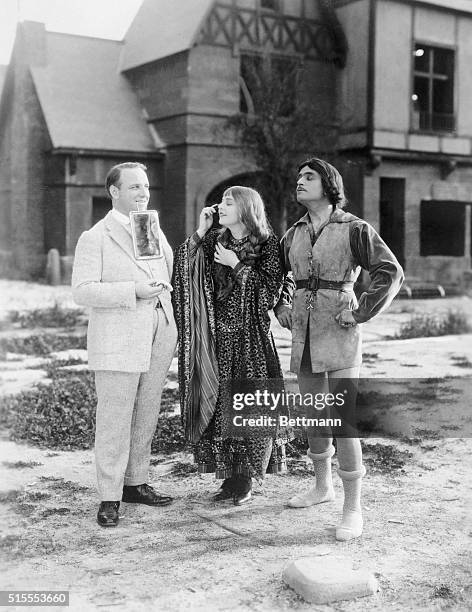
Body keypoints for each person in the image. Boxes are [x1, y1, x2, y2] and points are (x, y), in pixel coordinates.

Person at [275, 157, 404, 541]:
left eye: (308, 177)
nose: (299, 182)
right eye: (298, 176)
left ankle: (353, 508)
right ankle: (321, 487)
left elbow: (390, 270)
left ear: (329, 185)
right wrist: (282, 303)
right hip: (304, 334)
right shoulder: (293, 233)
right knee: (315, 416)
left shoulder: (355, 229)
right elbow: (281, 274)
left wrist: (361, 311)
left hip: (340, 331)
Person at [72, 162, 177, 527]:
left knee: (146, 410)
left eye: (145, 187)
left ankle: (136, 482)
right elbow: (82, 290)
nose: (143, 194)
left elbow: (165, 269)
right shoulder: (96, 236)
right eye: (134, 187)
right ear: (114, 192)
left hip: (158, 329)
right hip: (118, 336)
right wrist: (132, 291)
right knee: (115, 416)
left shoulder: (149, 226)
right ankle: (109, 496)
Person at [173, 186, 289, 505]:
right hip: (217, 338)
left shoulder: (267, 243)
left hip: (250, 340)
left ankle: (247, 481)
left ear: (245, 207)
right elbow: (184, 270)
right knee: (220, 406)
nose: (220, 206)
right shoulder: (213, 240)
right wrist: (200, 230)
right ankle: (230, 478)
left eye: (228, 202)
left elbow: (268, 294)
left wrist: (236, 264)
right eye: (220, 201)